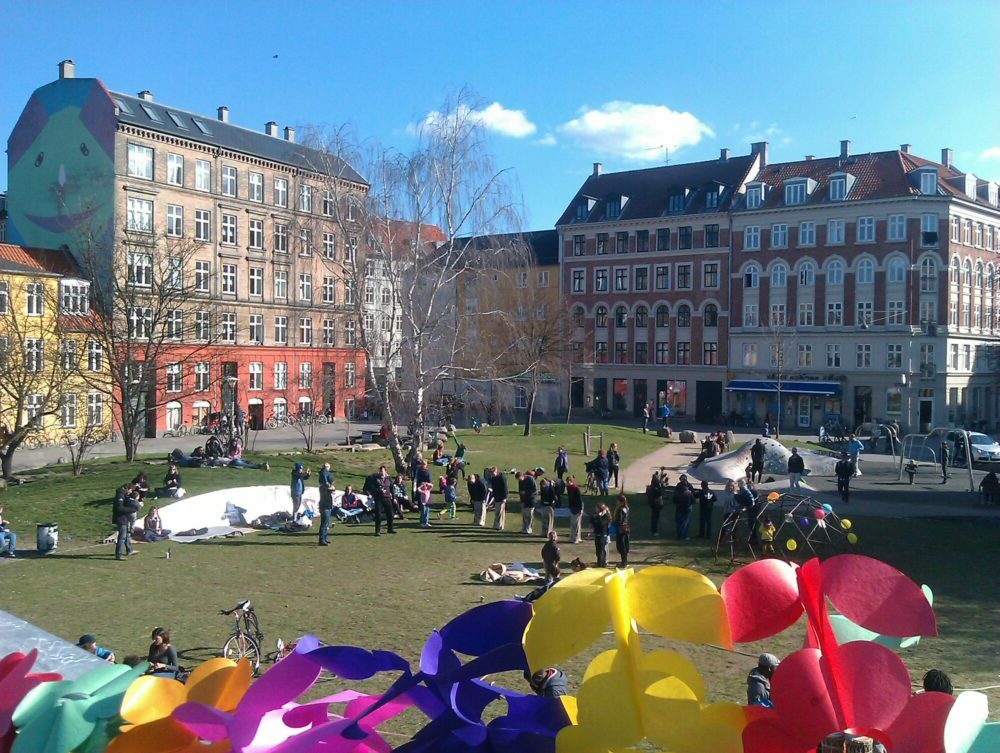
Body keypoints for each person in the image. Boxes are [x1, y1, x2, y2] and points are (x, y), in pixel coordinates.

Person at [113, 483, 141, 560]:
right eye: (131, 490)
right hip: (120, 518)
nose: (131, 492)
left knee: (126, 536)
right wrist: (133, 510)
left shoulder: (124, 495)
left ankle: (129, 550)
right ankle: (118, 555)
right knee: (122, 537)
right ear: (127, 488)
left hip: (124, 518)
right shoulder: (120, 495)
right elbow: (119, 508)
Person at [365, 465, 395, 536]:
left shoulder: (388, 478)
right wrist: (379, 490)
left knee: (390, 514)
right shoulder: (376, 478)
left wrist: (394, 498)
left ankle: (390, 528)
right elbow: (371, 487)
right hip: (379, 498)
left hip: (387, 498)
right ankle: (377, 531)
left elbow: (392, 488)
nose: (382, 472)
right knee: (378, 515)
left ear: (385, 471)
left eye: (383, 471)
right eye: (380, 471)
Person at [317, 463, 335, 546]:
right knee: (324, 523)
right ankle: (322, 539)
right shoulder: (323, 487)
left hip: (327, 505)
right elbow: (329, 488)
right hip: (325, 506)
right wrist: (330, 487)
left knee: (326, 523)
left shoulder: (324, 487)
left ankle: (325, 538)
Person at [674, 474, 695, 540]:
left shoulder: (678, 487)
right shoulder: (689, 488)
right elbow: (692, 498)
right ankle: (684, 535)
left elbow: (675, 498)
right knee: (685, 522)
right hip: (686, 507)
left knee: (679, 521)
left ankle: (679, 535)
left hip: (679, 507)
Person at [590, 502, 611, 567]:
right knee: (598, 551)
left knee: (602, 551)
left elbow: (602, 524)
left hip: (603, 535)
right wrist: (596, 516)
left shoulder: (606, 516)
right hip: (597, 535)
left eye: (597, 508)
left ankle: (602, 563)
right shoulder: (596, 515)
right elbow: (592, 521)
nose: (595, 509)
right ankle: (599, 563)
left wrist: (599, 516)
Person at [613, 494, 630, 567]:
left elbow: (619, 520)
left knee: (621, 546)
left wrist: (614, 523)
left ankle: (624, 563)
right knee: (625, 545)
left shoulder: (620, 509)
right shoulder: (626, 508)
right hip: (625, 528)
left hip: (620, 529)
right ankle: (624, 561)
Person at [646, 471, 665, 537]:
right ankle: (654, 531)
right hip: (656, 505)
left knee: (653, 518)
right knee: (655, 519)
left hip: (652, 504)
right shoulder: (656, 489)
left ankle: (652, 531)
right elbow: (660, 494)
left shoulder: (651, 488)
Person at [566, 476, 584, 543]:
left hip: (578, 506)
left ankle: (575, 538)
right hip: (573, 506)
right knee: (574, 523)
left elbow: (579, 499)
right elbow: (569, 498)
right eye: (567, 482)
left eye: (569, 481)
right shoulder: (568, 488)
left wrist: (581, 509)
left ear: (571, 481)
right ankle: (576, 537)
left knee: (575, 523)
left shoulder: (575, 488)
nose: (567, 483)